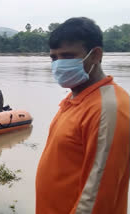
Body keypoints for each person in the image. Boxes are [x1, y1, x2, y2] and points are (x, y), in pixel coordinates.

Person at [35, 17, 130, 214]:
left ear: (95, 55)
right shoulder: (75, 97)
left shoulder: (108, 109)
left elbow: (97, 197)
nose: (59, 64)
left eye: (68, 56)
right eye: (54, 57)